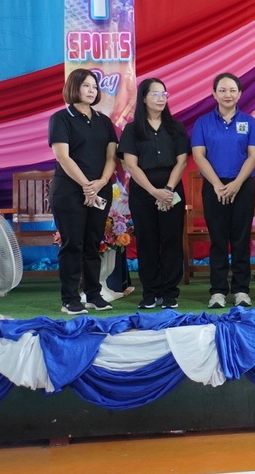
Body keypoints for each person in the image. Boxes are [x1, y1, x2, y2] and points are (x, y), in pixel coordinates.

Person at [49, 69, 119, 315]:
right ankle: (70, 298)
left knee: (93, 243)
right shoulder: (61, 118)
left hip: (100, 190)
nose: (91, 90)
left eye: (94, 86)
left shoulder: (104, 121)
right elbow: (63, 157)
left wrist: (100, 183)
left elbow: (111, 157)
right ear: (73, 87)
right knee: (72, 244)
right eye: (86, 86)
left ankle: (93, 295)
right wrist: (86, 186)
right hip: (69, 191)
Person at [191, 73, 255, 309]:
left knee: (241, 239)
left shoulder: (249, 122)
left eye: (232, 90)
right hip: (214, 187)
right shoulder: (203, 123)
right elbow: (199, 155)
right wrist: (217, 184)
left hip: (243, 186)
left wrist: (237, 183)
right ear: (214, 94)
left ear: (239, 94)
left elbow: (253, 155)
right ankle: (218, 291)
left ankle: (241, 290)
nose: (227, 94)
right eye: (222, 90)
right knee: (218, 239)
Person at [118, 78, 188, 310]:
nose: (161, 98)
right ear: (144, 98)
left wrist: (167, 190)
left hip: (171, 190)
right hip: (143, 191)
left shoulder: (176, 127)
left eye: (164, 94)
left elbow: (181, 161)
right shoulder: (132, 129)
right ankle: (150, 293)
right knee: (147, 242)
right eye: (155, 94)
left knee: (171, 241)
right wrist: (154, 192)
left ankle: (169, 293)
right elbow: (131, 165)